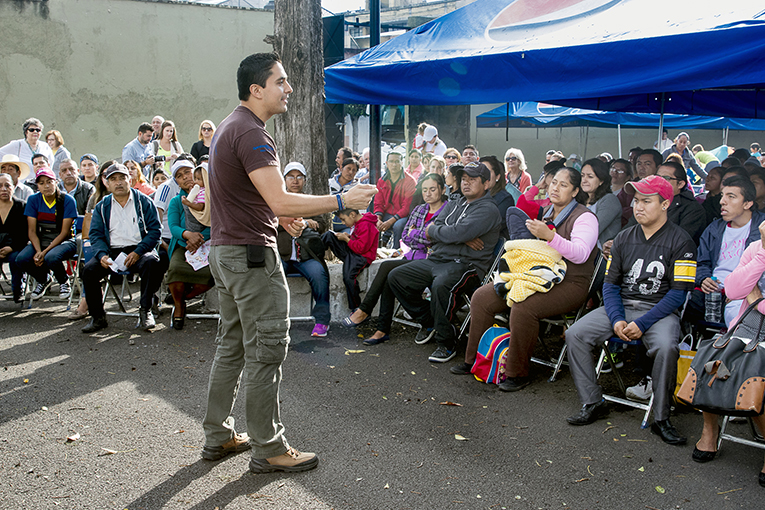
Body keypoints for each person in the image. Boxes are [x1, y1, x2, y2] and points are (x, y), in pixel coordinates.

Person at [202, 52, 376, 473]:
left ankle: (219, 435)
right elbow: (278, 196)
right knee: (265, 352)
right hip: (250, 258)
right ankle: (269, 448)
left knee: (231, 347)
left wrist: (276, 214)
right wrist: (341, 199)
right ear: (256, 89)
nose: (289, 89)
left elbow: (237, 197)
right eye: (281, 81)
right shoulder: (252, 133)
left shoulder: (228, 126)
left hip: (226, 254)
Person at [563, 175, 696, 446]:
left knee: (667, 347)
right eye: (636, 201)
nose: (638, 207)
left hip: (659, 311)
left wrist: (644, 323)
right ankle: (593, 401)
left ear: (665, 204)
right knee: (575, 333)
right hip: (621, 307)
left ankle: (661, 417)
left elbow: (678, 294)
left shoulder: (683, 242)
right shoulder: (623, 238)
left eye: (647, 201)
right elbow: (610, 285)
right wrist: (617, 319)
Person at [451, 166, 598, 388]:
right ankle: (474, 360)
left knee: (523, 304)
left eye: (564, 185)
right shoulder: (547, 212)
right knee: (482, 297)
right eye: (554, 182)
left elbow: (580, 254)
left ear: (576, 191)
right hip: (535, 274)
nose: (555, 188)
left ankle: (516, 372)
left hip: (571, 283)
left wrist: (549, 236)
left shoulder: (585, 217)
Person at [389, 162, 502, 363]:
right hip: (439, 258)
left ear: (486, 184)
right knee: (397, 276)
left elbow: (444, 231)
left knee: (441, 284)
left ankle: (447, 342)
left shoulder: (488, 209)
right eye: (464, 179)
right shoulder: (455, 202)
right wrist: (454, 234)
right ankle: (430, 321)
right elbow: (438, 226)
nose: (466, 183)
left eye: (472, 179)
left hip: (468, 266)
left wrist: (448, 232)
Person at [692, 223, 765, 487]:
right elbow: (733, 291)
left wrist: (757, 298)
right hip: (746, 327)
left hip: (759, 326)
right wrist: (764, 252)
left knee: (755, 371)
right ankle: (709, 432)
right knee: (711, 361)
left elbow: (751, 295)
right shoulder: (757, 248)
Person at [342, 173, 447, 344]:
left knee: (389, 275)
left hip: (430, 261)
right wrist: (421, 234)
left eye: (433, 189)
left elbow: (438, 238)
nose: (428, 193)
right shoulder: (420, 209)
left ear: (442, 190)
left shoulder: (448, 211)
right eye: (425, 190)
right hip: (411, 257)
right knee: (386, 268)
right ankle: (377, 325)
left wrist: (417, 234)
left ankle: (372, 319)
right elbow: (405, 236)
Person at [81, 163, 165, 333]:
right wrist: (102, 255)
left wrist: (138, 251)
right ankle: (97, 317)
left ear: (130, 180)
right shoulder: (102, 206)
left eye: (122, 178)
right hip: (112, 251)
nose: (118, 183)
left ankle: (145, 311)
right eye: (113, 179)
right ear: (107, 183)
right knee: (88, 270)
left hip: (139, 249)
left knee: (152, 262)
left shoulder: (144, 201)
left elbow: (155, 231)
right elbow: (95, 234)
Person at [688, 175, 763, 327]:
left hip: (747, 292)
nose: (722, 201)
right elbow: (700, 262)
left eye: (731, 196)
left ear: (747, 203)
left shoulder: (762, 228)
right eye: (722, 195)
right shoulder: (714, 229)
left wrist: (742, 291)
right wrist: (703, 278)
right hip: (714, 292)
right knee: (682, 304)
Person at [277, 162, 331, 337]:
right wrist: (284, 222)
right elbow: (265, 224)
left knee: (319, 275)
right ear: (284, 179)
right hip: (282, 255)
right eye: (291, 177)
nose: (295, 181)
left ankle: (322, 321)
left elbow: (323, 224)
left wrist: (307, 222)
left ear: (305, 180)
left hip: (306, 256)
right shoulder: (277, 201)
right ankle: (272, 321)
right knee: (269, 278)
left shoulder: (310, 202)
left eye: (299, 177)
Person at [16, 168, 77, 300]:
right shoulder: (33, 200)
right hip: (42, 239)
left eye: (49, 181)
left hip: (64, 241)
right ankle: (43, 278)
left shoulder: (67, 200)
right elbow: (31, 231)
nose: (46, 186)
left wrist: (44, 253)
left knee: (51, 257)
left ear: (56, 182)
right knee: (21, 259)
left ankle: (63, 281)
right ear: (37, 186)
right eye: (42, 183)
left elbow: (64, 232)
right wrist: (38, 251)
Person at [166, 164, 213, 331]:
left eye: (188, 172)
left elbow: (215, 223)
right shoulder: (176, 201)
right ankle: (178, 305)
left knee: (210, 274)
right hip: (182, 245)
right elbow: (173, 226)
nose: (185, 177)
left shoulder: (209, 197)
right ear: (177, 182)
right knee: (175, 271)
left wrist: (199, 238)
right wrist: (188, 235)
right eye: (179, 176)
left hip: (206, 244)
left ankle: (181, 298)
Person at [321, 208, 379, 310]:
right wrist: (349, 237)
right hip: (353, 252)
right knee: (329, 235)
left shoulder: (367, 224)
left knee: (348, 277)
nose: (343, 223)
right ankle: (313, 255)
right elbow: (358, 239)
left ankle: (356, 308)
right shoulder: (358, 222)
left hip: (362, 257)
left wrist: (346, 239)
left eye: (343, 219)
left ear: (352, 215)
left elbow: (361, 248)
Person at [655, 160, 706, 243]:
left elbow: (679, 241)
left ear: (680, 184)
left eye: (666, 178)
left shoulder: (693, 209)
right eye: (657, 177)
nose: (659, 182)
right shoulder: (649, 201)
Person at [374, 151, 416, 249]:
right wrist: (378, 219)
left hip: (404, 216)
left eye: (397, 161)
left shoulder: (410, 181)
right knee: (371, 222)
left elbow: (406, 208)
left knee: (398, 226)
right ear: (387, 163)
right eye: (391, 161)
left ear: (402, 163)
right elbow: (378, 203)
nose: (394, 164)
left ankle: (397, 251)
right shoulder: (382, 180)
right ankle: (374, 251)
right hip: (387, 213)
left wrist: (390, 221)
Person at [0, 173, 29, 303]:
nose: (3, 189)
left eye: (7, 185)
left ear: (13, 186)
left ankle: (18, 290)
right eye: (0, 186)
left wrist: (11, 247)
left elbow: (25, 233)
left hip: (15, 246)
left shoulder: (21, 206)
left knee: (16, 259)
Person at [580, 158, 621, 248]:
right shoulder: (580, 199)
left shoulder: (609, 200)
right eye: (582, 176)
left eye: (590, 177)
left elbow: (592, 230)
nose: (584, 180)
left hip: (600, 256)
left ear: (601, 181)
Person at [480, 155, 515, 239]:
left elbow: (493, 227)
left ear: (497, 176)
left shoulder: (505, 199)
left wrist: (468, 236)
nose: (482, 175)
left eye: (486, 171)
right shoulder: (471, 197)